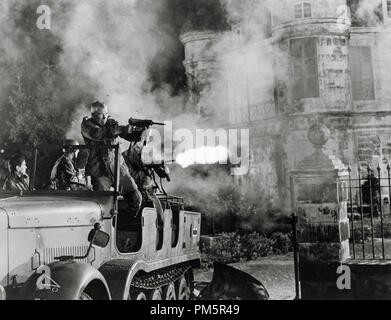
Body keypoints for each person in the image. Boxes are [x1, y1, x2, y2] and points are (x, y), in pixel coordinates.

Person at [81, 101, 142, 214]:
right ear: (93, 115)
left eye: (106, 113)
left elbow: (126, 135)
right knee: (102, 205)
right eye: (101, 114)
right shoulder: (86, 125)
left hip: (118, 168)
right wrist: (121, 129)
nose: (105, 116)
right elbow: (98, 134)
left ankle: (126, 222)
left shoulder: (111, 123)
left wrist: (138, 132)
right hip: (100, 171)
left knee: (136, 198)